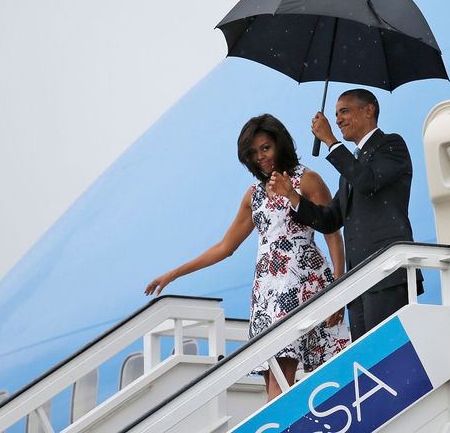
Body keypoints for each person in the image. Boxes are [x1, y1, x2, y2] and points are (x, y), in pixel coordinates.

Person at [144, 114, 349, 401]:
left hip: (303, 284)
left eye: (265, 148)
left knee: (304, 380)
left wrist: (339, 287)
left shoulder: (308, 179)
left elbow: (332, 234)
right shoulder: (253, 195)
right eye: (253, 153)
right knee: (273, 381)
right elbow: (225, 247)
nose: (260, 157)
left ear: (280, 144)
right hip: (266, 292)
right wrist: (173, 274)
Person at [268, 89, 423, 341]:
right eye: (336, 114)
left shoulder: (392, 145)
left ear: (369, 110)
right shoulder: (351, 166)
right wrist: (293, 197)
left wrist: (330, 141)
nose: (337, 120)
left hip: (387, 274)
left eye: (345, 111)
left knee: (389, 353)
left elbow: (367, 181)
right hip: (358, 281)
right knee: (367, 360)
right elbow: (330, 219)